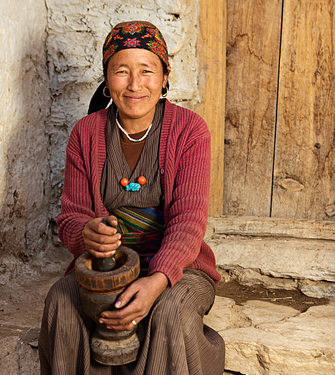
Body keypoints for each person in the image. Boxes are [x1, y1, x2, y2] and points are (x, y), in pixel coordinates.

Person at [38, 20, 225, 375]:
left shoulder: (189, 130)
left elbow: (189, 222)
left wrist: (157, 281)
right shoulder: (86, 133)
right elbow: (72, 218)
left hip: (180, 270)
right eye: (121, 71)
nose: (135, 84)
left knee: (169, 312)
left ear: (165, 76)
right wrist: (86, 232)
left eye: (147, 71)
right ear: (107, 79)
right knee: (62, 301)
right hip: (105, 272)